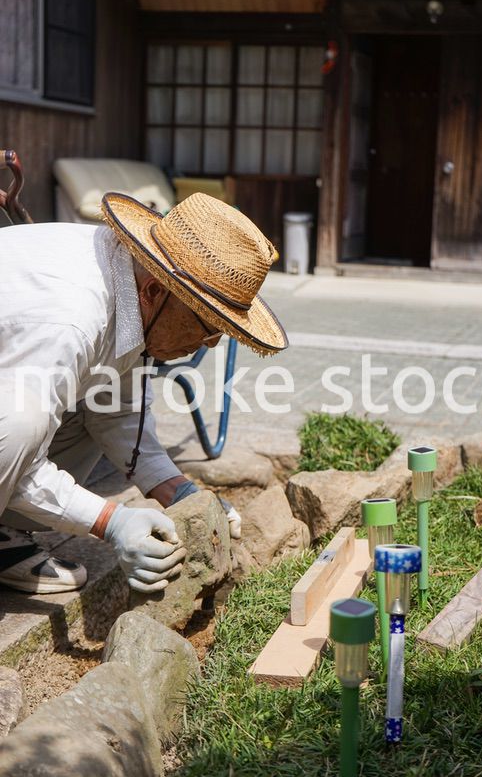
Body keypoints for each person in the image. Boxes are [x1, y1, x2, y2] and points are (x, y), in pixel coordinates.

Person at [0, 191, 287, 594]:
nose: (210, 344)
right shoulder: (71, 321)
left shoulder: (131, 290)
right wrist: (110, 521)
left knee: (87, 406)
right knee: (24, 421)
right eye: (207, 323)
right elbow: (8, 443)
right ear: (155, 292)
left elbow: (116, 411)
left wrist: (178, 492)